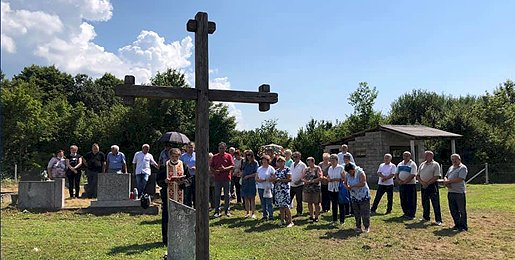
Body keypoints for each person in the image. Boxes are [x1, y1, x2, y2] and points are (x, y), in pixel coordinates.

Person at [161, 148, 190, 245]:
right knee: (167, 217)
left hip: (180, 194)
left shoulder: (183, 165)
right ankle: (166, 239)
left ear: (179, 156)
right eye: (173, 156)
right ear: (170, 156)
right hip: (168, 194)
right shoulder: (164, 166)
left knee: (181, 216)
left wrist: (182, 182)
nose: (175, 158)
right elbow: (159, 179)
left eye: (177, 156)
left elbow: (189, 179)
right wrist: (164, 181)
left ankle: (181, 237)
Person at [443, 154, 468, 231]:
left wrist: (448, 181)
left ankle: (463, 226)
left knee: (461, 210)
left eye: (455, 159)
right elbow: (446, 176)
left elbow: (460, 178)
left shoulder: (463, 168)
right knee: (453, 209)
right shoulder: (451, 167)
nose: (454, 161)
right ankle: (457, 224)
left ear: (459, 159)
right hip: (451, 191)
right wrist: (445, 181)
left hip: (459, 192)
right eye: (452, 159)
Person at [417, 151, 442, 225]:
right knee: (424, 202)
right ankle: (426, 216)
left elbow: (436, 176)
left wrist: (427, 183)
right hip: (423, 185)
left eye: (426, 155)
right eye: (424, 155)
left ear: (431, 156)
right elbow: (418, 175)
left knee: (435, 202)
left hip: (432, 185)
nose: (425, 157)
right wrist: (422, 182)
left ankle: (438, 219)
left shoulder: (435, 164)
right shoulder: (422, 164)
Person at [345, 163, 371, 233]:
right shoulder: (347, 174)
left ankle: (366, 227)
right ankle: (358, 226)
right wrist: (347, 186)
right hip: (354, 195)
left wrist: (352, 186)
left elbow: (363, 183)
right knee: (356, 212)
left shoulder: (360, 172)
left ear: (353, 169)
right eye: (348, 172)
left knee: (365, 212)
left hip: (363, 195)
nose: (349, 173)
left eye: (350, 171)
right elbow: (345, 182)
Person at [210, 142, 234, 217]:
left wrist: (224, 169)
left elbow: (232, 166)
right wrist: (214, 171)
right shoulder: (215, 156)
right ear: (218, 148)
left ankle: (227, 211)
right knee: (217, 195)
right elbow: (211, 167)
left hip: (226, 178)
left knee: (227, 195)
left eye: (223, 148)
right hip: (217, 179)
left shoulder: (229, 156)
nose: (221, 150)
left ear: (225, 148)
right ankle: (217, 211)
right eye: (220, 148)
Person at [271, 156, 293, 227]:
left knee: (286, 206)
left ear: (284, 162)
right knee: (280, 206)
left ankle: (290, 221)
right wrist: (273, 180)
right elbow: (274, 180)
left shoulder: (287, 169)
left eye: (282, 161)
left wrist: (280, 180)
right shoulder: (276, 171)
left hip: (285, 190)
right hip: (278, 190)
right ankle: (282, 220)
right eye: (279, 161)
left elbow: (289, 179)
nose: (280, 163)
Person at [395, 151, 418, 220]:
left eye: (407, 156)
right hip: (402, 185)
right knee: (403, 199)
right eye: (404, 155)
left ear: (410, 156)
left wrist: (405, 181)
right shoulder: (400, 164)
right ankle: (405, 213)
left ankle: (411, 214)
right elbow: (396, 173)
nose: (405, 157)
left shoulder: (412, 164)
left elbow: (412, 175)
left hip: (410, 185)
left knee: (411, 199)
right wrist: (399, 180)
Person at [327, 154, 346, 225]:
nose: (332, 161)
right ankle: (334, 219)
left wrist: (336, 179)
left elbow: (344, 178)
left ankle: (342, 220)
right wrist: (328, 179)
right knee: (334, 204)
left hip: (339, 188)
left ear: (337, 160)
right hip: (331, 188)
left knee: (341, 204)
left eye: (333, 160)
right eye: (331, 160)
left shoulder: (340, 167)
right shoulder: (330, 168)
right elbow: (328, 176)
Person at [302, 157, 322, 222]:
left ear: (313, 162)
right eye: (307, 162)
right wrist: (305, 181)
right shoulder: (306, 169)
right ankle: (311, 216)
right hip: (308, 188)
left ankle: (316, 216)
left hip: (315, 188)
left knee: (316, 203)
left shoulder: (317, 168)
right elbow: (302, 177)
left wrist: (312, 181)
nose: (308, 163)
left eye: (309, 162)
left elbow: (320, 177)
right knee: (309, 202)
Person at [256, 155, 276, 220]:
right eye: (263, 160)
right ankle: (264, 215)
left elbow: (274, 178)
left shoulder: (271, 168)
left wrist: (268, 179)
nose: (264, 162)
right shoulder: (259, 168)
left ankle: (271, 216)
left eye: (265, 160)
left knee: (269, 202)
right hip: (260, 187)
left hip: (268, 187)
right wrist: (259, 180)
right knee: (263, 202)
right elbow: (256, 178)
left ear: (268, 161)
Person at [241, 150, 258, 219]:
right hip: (245, 181)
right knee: (246, 198)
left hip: (252, 182)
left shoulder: (255, 163)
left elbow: (256, 173)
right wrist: (241, 174)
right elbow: (243, 171)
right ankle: (247, 212)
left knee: (252, 198)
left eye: (250, 155)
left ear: (252, 155)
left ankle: (253, 213)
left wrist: (248, 176)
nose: (248, 156)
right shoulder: (245, 163)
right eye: (247, 155)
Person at [289, 151, 306, 217]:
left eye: (296, 156)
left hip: (299, 185)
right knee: (289, 198)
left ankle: (299, 212)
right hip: (291, 184)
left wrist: (299, 181)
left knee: (299, 199)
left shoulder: (303, 165)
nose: (295, 158)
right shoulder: (292, 164)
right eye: (294, 156)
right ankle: (286, 211)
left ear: (299, 157)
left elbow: (305, 175)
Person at [180, 142, 196, 208]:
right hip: (187, 177)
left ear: (194, 148)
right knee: (187, 194)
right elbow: (180, 166)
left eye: (191, 147)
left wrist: (196, 167)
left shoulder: (197, 155)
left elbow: (201, 164)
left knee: (195, 193)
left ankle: (196, 209)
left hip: (195, 176)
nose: (190, 148)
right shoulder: (182, 156)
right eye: (189, 147)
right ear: (186, 148)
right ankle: (189, 209)